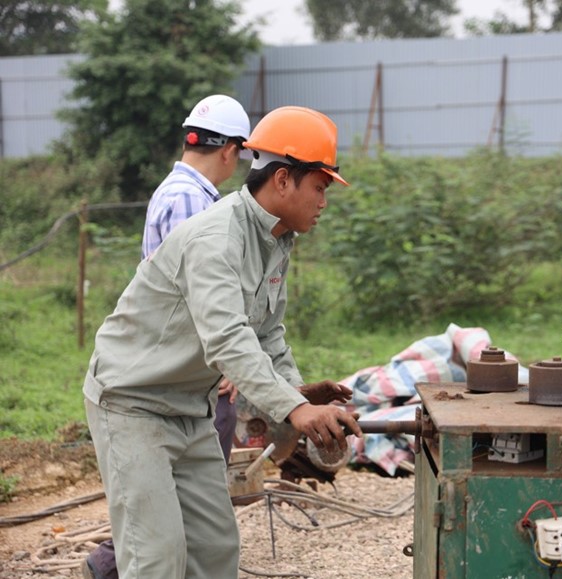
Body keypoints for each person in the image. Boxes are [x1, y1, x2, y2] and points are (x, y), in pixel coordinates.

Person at [82, 105, 361, 579]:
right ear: (282, 181)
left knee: (214, 552)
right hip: (132, 404)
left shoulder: (275, 240)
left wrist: (293, 394)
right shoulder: (217, 236)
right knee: (156, 560)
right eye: (319, 186)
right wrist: (295, 412)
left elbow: (267, 333)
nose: (323, 201)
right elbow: (227, 338)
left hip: (191, 407)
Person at [82, 94, 252, 579]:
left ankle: (113, 563)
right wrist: (226, 361)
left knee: (195, 530)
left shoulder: (186, 192)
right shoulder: (189, 200)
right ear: (229, 151)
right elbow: (197, 293)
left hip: (181, 367)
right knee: (164, 536)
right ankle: (111, 564)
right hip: (165, 380)